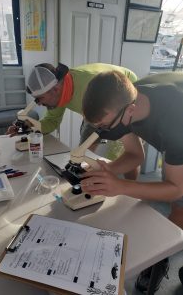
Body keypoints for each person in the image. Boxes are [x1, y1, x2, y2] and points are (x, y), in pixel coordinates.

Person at [80, 71, 183, 293]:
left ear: (130, 110)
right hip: (172, 135)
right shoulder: (126, 98)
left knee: (180, 207)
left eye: (104, 126)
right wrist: (108, 170)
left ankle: (160, 259)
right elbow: (135, 155)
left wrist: (121, 187)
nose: (102, 132)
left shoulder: (174, 122)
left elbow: (176, 189)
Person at [7, 63, 138, 179]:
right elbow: (51, 121)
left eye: (40, 98)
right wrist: (28, 126)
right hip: (94, 107)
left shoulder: (87, 87)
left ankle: (132, 192)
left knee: (124, 153)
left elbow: (131, 153)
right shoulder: (58, 93)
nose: (39, 104)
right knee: (82, 152)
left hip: (125, 95)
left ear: (55, 89)